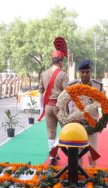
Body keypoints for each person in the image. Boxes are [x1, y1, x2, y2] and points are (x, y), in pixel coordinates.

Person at [38, 37, 69, 165]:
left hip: (48, 106)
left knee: (50, 132)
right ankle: (54, 151)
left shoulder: (44, 73)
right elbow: (67, 94)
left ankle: (52, 157)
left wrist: (41, 108)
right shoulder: (63, 74)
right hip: (59, 107)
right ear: (61, 61)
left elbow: (40, 92)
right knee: (66, 129)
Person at [68, 60, 102, 168]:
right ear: (79, 73)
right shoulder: (72, 85)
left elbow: (103, 104)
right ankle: (78, 173)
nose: (85, 75)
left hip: (92, 123)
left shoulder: (98, 86)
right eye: (82, 72)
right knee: (77, 153)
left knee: (92, 153)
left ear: (90, 72)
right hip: (77, 123)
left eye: (87, 72)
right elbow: (65, 103)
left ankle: (91, 175)